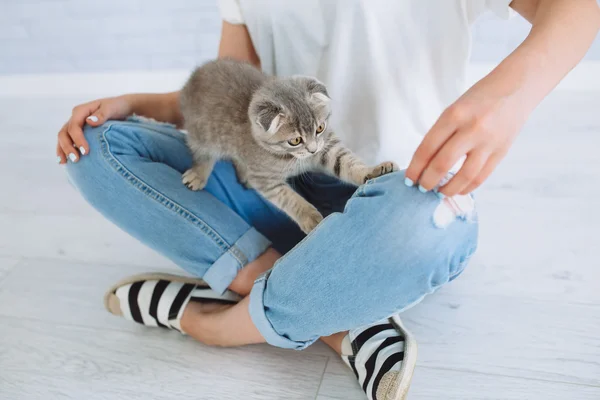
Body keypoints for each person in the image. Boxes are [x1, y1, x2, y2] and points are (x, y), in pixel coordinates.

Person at [56, 1, 600, 399]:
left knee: (429, 224)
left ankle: (218, 321)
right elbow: (236, 97)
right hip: (274, 188)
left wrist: (509, 97)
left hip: (393, 198)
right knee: (95, 146)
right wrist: (135, 103)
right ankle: (339, 319)